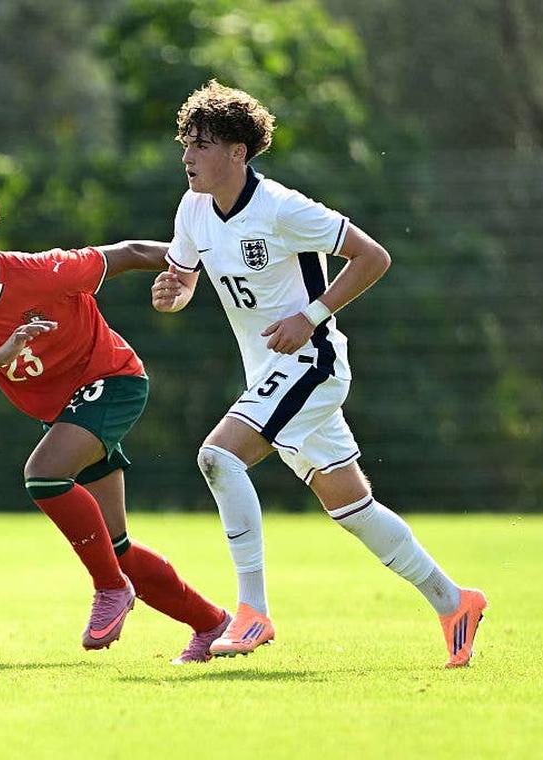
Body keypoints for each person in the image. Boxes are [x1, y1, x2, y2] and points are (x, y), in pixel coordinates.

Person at [150, 80, 487, 668]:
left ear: (237, 151)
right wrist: (172, 293)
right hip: (268, 372)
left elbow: (373, 256)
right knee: (350, 506)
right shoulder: (193, 207)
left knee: (218, 457)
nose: (186, 157)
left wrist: (311, 316)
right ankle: (454, 601)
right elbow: (183, 280)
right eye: (186, 144)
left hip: (312, 362)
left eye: (199, 146)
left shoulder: (283, 208)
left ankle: (250, 614)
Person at [0, 176, 229, 663]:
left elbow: (128, 251)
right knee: (115, 545)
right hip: (66, 411)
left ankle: (110, 590)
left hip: (113, 380)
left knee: (43, 476)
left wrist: (204, 259)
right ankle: (212, 625)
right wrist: (0, 354)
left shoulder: (41, 272)